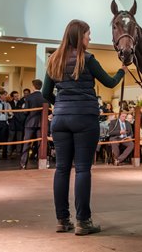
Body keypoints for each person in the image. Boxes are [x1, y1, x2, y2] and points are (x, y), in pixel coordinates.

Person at [43, 19, 125, 235]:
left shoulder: (54, 60)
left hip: (60, 119)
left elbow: (44, 93)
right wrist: (122, 71)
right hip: (84, 118)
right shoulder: (87, 59)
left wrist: (60, 105)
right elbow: (109, 82)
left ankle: (62, 220)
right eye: (88, 34)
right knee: (82, 169)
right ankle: (83, 221)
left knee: (61, 169)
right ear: (80, 37)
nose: (90, 38)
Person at [20, 79, 47, 169]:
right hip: (41, 123)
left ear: (33, 86)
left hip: (30, 122)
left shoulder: (29, 97)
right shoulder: (44, 97)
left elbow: (25, 112)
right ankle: (42, 162)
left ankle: (23, 163)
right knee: (41, 143)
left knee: (26, 143)